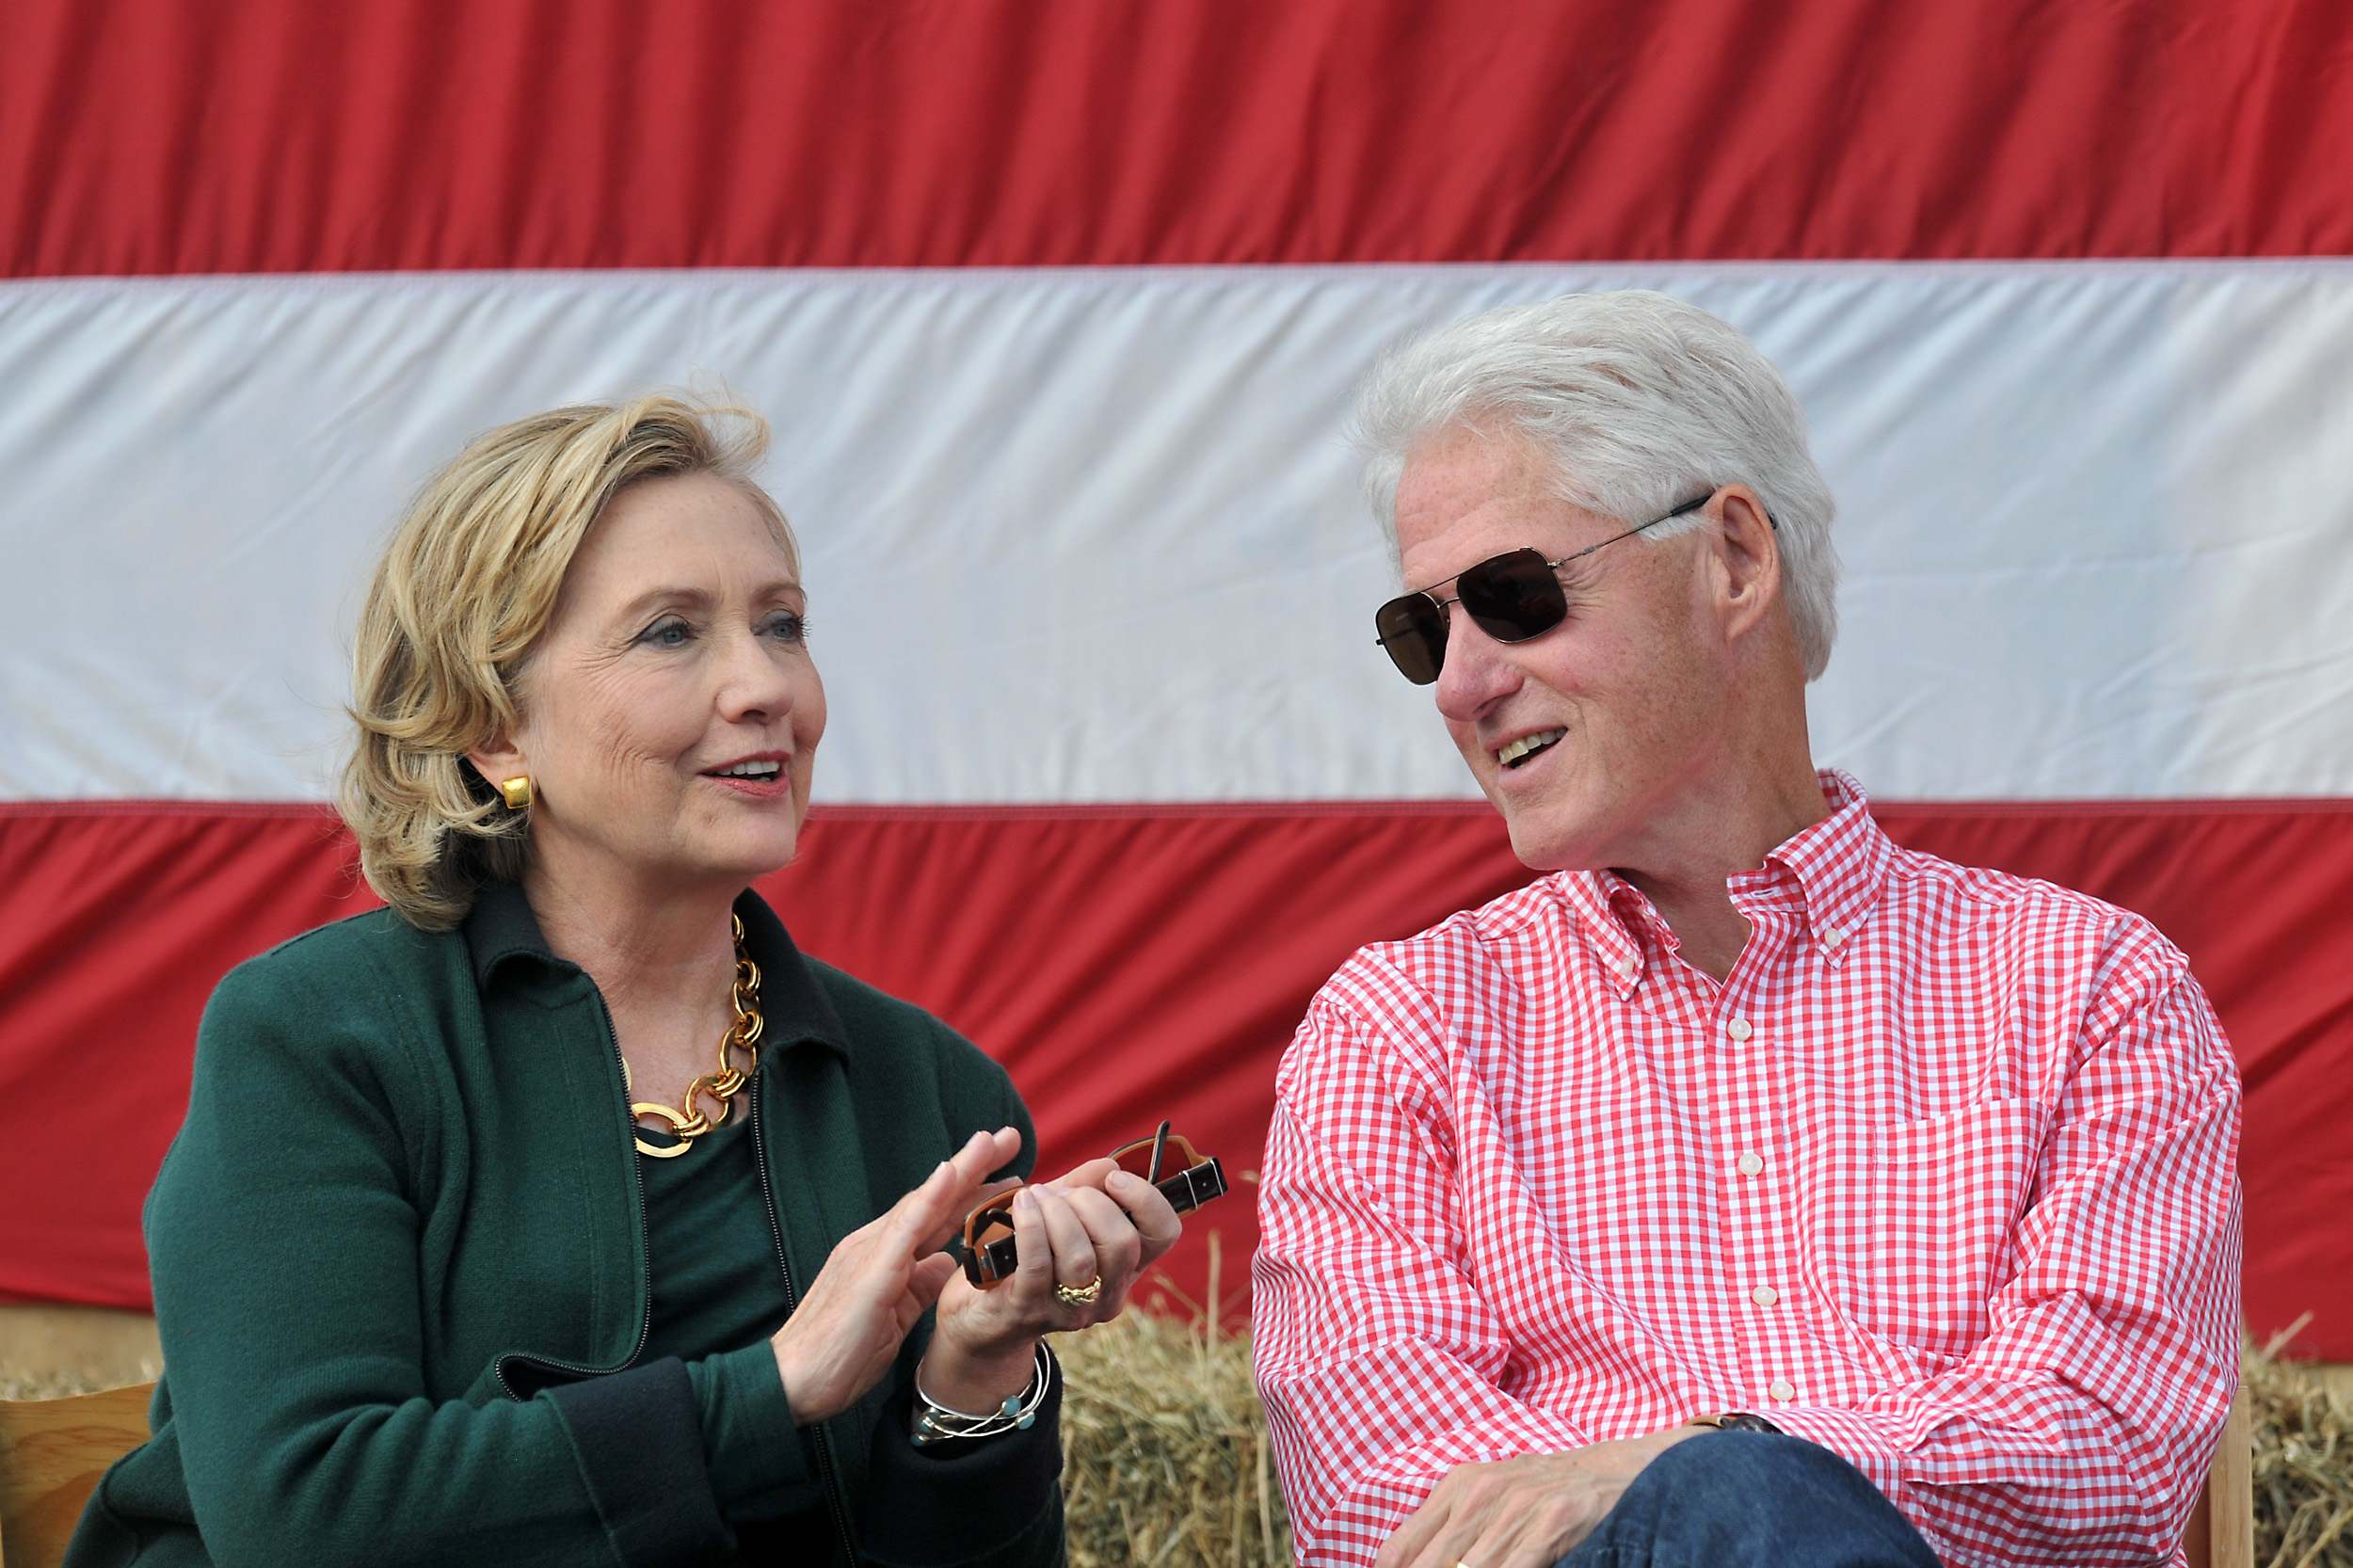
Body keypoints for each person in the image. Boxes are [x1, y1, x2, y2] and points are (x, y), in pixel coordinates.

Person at [70, 395, 1182, 1567]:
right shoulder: (315, 1034)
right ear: (493, 729)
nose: (765, 688)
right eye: (670, 633)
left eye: (784, 624)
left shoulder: (936, 1091)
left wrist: (975, 1376)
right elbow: (303, 1512)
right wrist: (768, 1392)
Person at [1250, 292, 2242, 1568]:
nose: (1459, 681)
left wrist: (1714, 1460)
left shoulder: (2093, 989)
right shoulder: (1396, 1030)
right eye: (1422, 627)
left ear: (1733, 560)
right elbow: (1388, 1511)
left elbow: (2102, 1451)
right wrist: (1713, 1489)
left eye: (1514, 592)